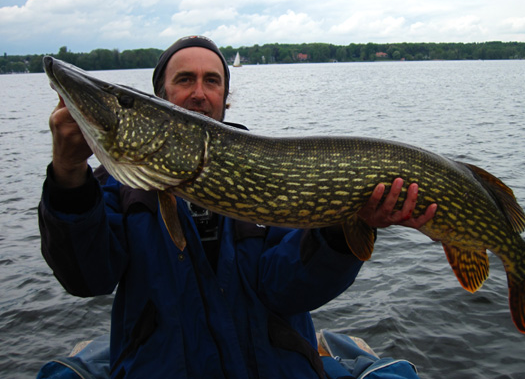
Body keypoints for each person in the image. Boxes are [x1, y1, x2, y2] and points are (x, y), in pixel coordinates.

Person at [39, 36, 437, 378]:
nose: (199, 92)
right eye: (184, 80)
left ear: (225, 97)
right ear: (160, 98)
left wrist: (339, 230)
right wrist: (69, 175)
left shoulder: (274, 174)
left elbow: (287, 289)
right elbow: (86, 279)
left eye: (211, 81)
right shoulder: (116, 190)